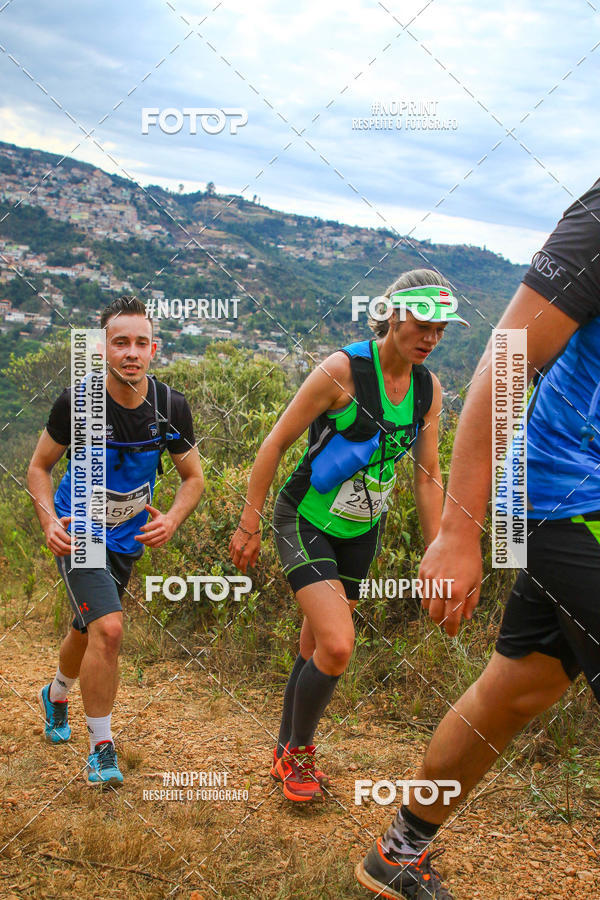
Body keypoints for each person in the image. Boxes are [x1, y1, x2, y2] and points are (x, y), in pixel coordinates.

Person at [356, 180, 600, 899]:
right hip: (568, 495)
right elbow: (509, 360)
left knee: (517, 687)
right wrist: (461, 531)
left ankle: (398, 851)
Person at [229, 269, 469, 802]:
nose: (430, 338)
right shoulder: (341, 370)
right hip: (305, 518)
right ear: (394, 314)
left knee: (316, 642)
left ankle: (285, 747)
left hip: (362, 529)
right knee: (337, 646)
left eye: (441, 330)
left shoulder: (429, 390)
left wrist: (437, 552)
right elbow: (273, 444)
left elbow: (428, 475)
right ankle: (300, 754)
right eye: (422, 324)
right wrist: (250, 521)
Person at [27, 295, 204, 786]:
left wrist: (171, 518)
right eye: (120, 341)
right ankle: (101, 748)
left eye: (141, 343)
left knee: (87, 631)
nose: (131, 351)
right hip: (78, 531)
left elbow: (193, 478)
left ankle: (57, 693)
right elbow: (39, 466)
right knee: (109, 630)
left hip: (126, 541)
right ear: (104, 348)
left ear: (154, 349)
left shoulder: (169, 406)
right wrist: (48, 522)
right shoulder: (78, 403)